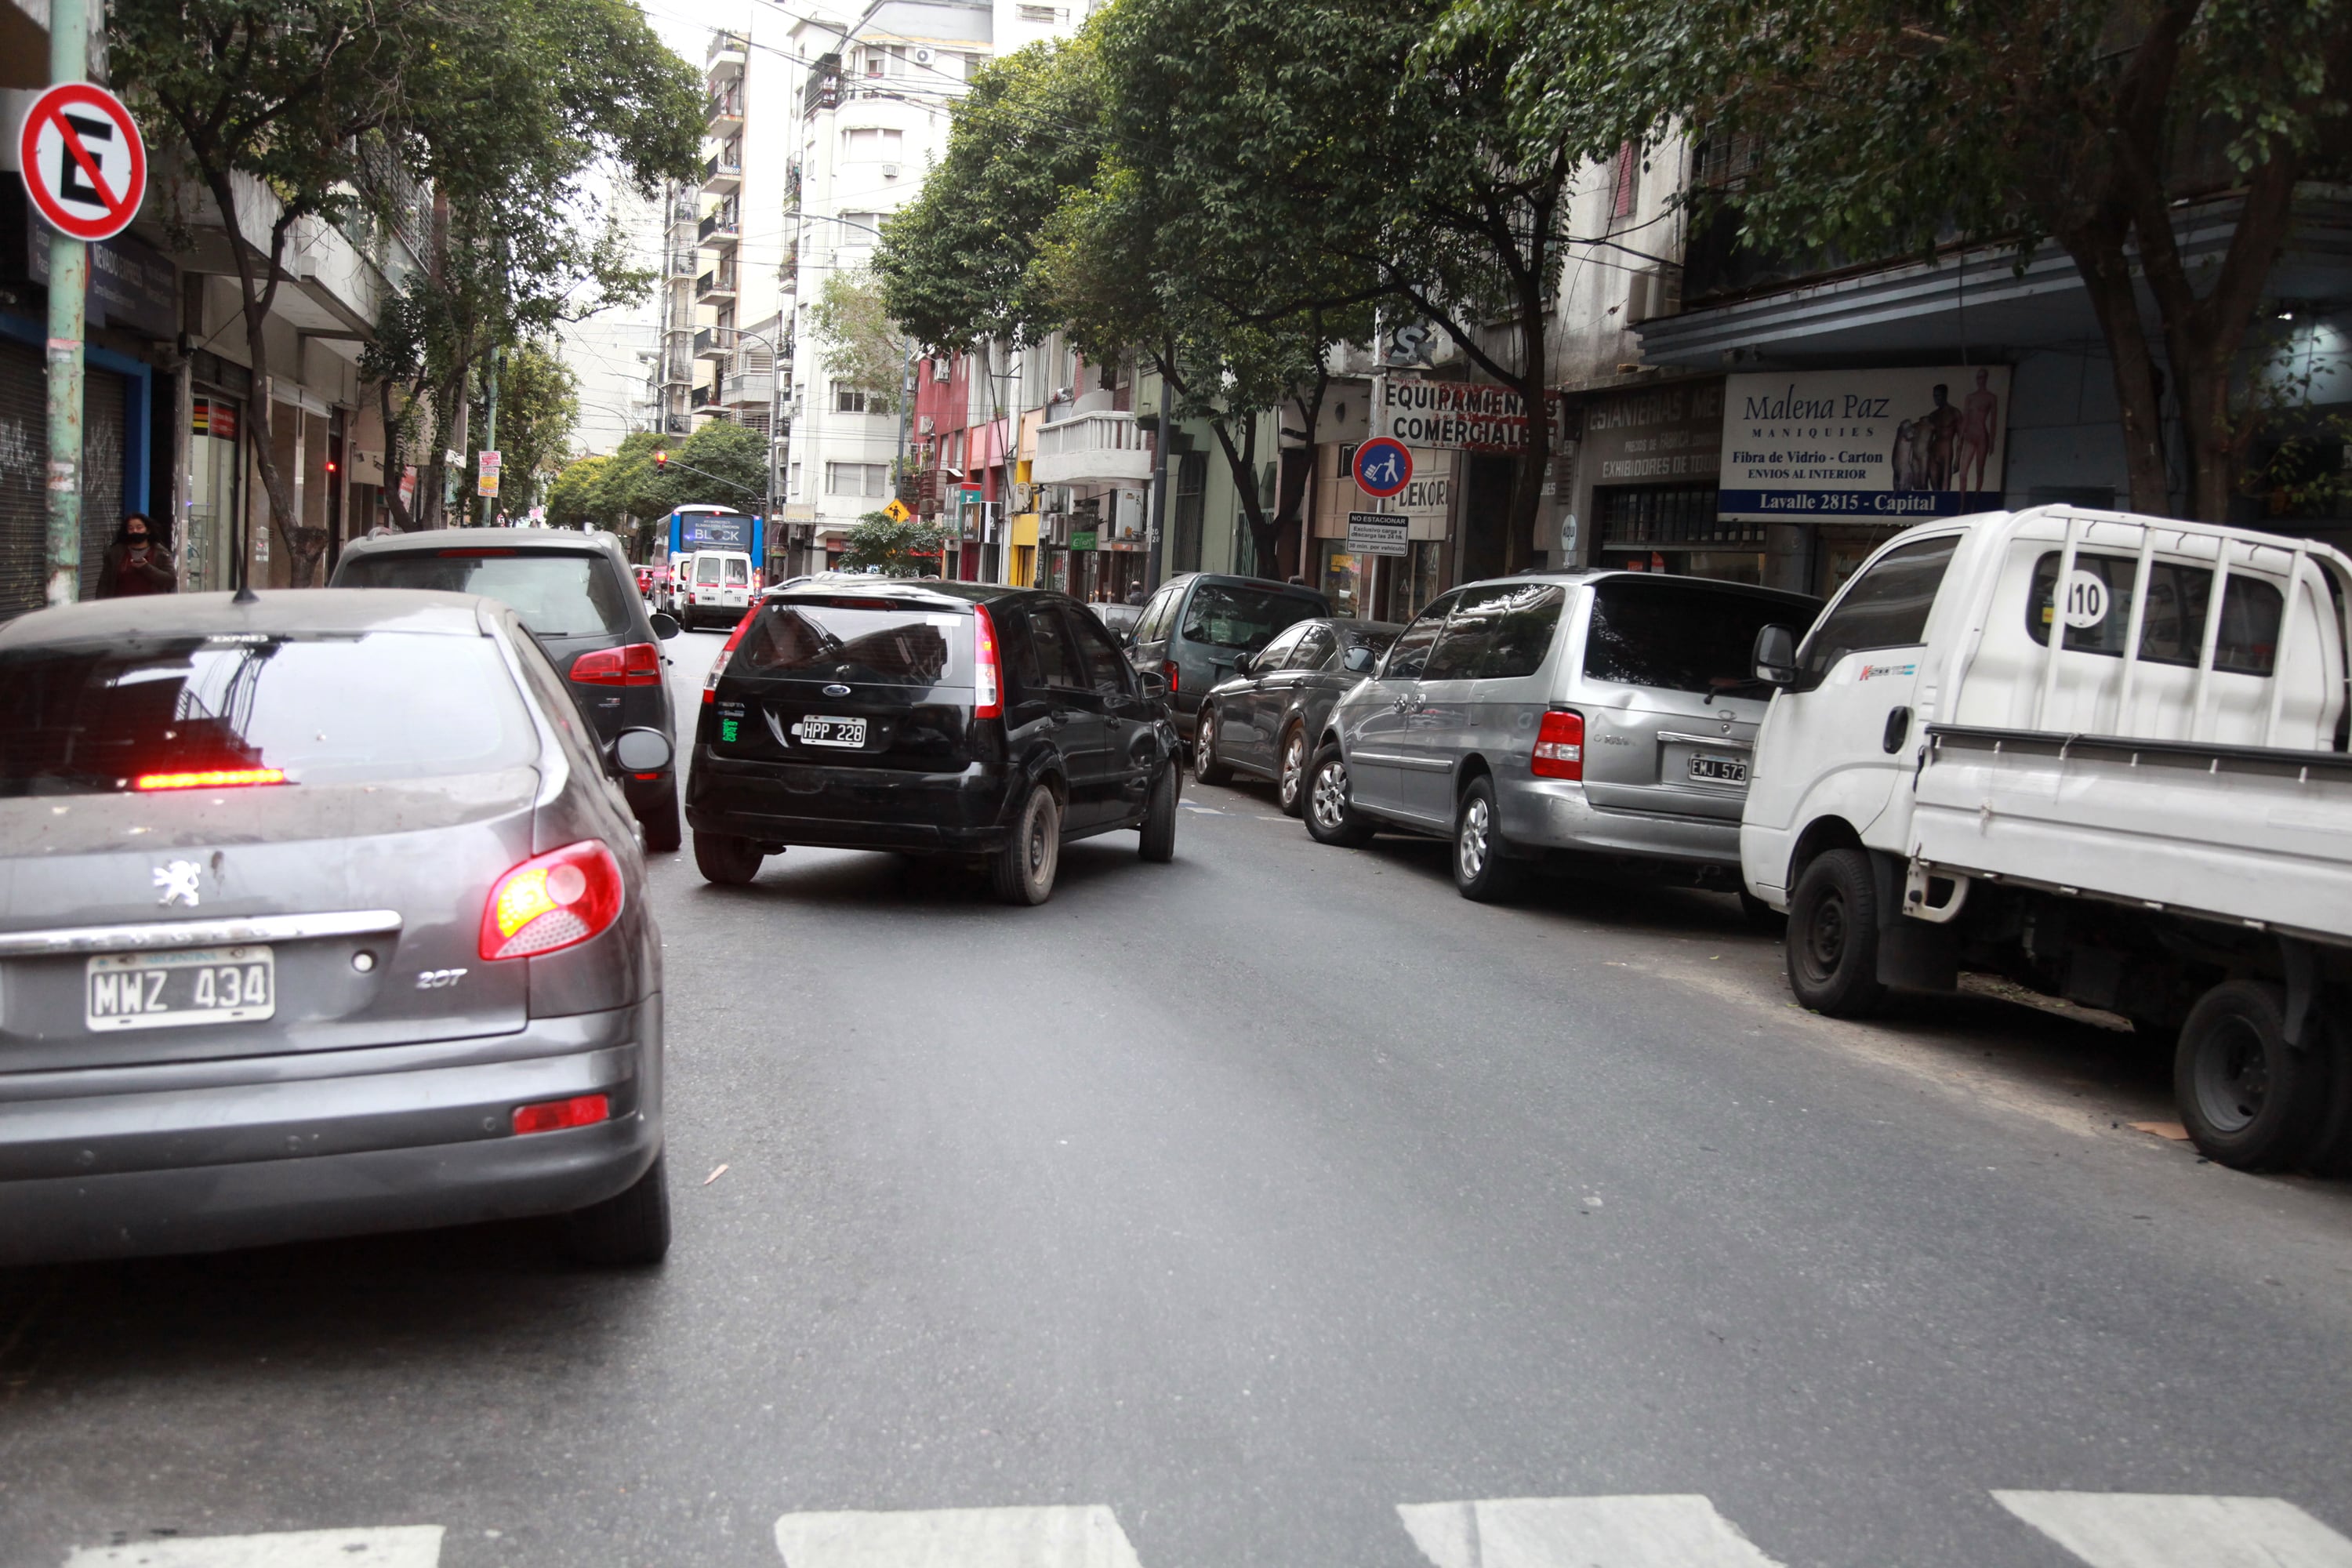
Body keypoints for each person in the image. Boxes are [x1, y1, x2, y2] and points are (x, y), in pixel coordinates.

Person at [96, 513, 176, 597]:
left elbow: (170, 580)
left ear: (148, 530)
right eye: (131, 528)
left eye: (139, 527)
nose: (135, 531)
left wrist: (146, 567)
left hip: (151, 606)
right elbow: (104, 583)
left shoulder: (161, 553)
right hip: (120, 605)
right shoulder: (116, 552)